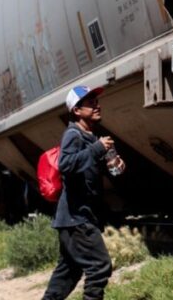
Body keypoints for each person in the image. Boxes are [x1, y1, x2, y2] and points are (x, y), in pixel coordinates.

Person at [42, 85, 124, 300]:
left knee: (68, 272)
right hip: (76, 218)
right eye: (90, 102)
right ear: (77, 110)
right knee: (99, 266)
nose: (97, 105)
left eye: (96, 101)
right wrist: (97, 148)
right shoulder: (73, 134)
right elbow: (66, 165)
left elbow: (86, 170)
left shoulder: (89, 136)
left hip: (78, 217)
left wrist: (113, 164)